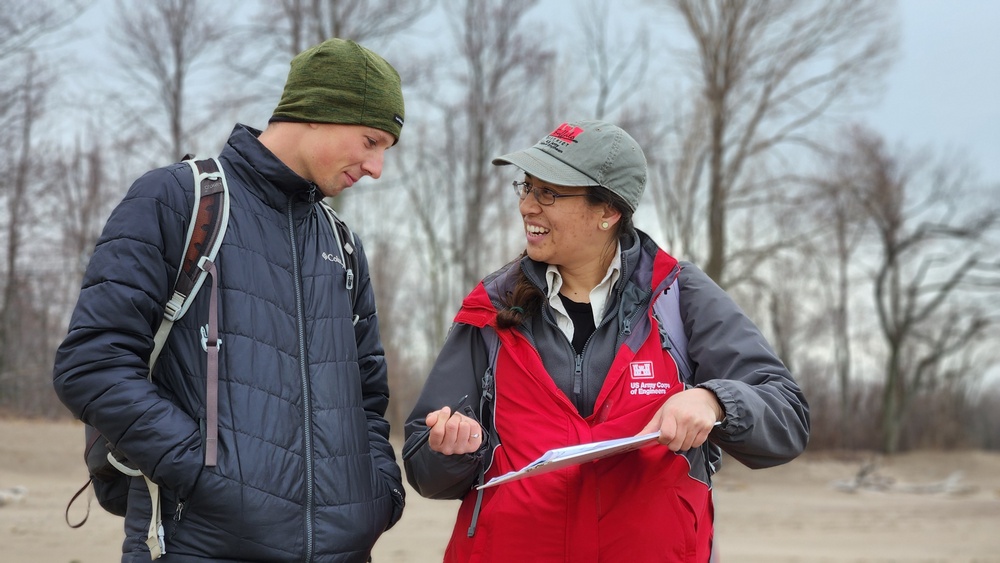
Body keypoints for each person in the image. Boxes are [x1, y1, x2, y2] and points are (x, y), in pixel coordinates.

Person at [53, 38, 406, 562]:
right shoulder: (177, 200)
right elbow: (91, 365)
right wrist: (204, 475)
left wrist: (376, 495)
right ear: (315, 113)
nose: (377, 167)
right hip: (197, 544)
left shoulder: (342, 244)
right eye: (371, 140)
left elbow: (368, 399)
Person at [403, 119, 810, 562]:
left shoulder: (680, 296)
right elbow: (425, 471)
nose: (526, 206)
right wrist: (453, 449)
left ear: (607, 212)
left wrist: (713, 402)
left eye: (549, 193)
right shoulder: (490, 308)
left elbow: (786, 416)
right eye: (526, 187)